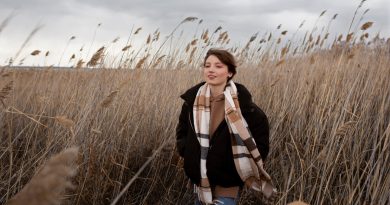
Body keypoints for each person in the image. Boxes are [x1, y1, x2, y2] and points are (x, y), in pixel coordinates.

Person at [176, 48, 275, 205]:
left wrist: (234, 169)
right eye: (207, 65)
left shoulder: (244, 107)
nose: (211, 70)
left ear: (230, 72)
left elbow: (260, 144)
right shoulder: (192, 103)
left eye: (218, 66)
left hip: (228, 185)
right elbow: (182, 133)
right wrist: (187, 152)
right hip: (199, 183)